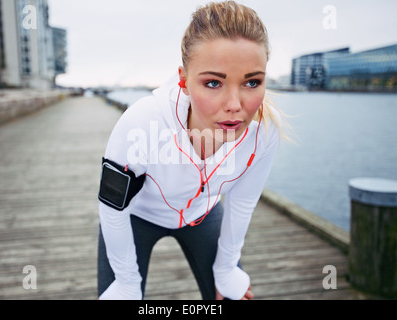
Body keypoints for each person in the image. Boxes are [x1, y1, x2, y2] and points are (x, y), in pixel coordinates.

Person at [97, 1, 286, 300]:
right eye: (213, 82)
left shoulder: (264, 131)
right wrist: (127, 283)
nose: (235, 105)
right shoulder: (140, 124)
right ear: (184, 80)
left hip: (203, 214)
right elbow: (112, 209)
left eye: (252, 82)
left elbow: (242, 203)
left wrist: (225, 270)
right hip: (135, 217)